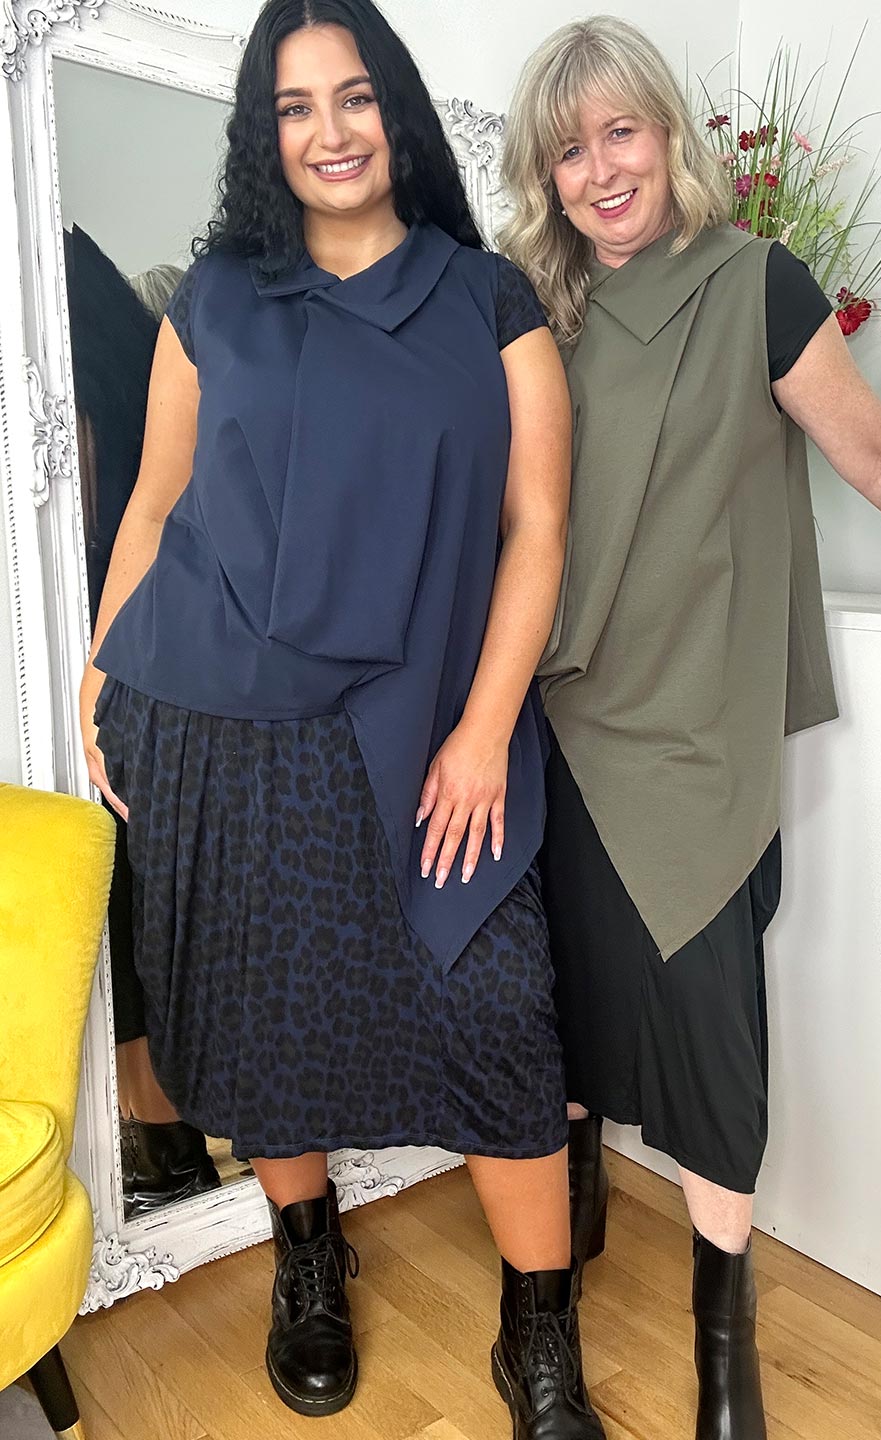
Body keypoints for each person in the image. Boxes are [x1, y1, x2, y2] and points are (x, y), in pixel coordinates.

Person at [499, 17, 881, 1438]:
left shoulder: (755, 283)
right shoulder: (528, 314)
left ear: (669, 134)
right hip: (556, 717)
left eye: (621, 132)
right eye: (569, 151)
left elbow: (872, 448)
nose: (599, 171)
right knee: (554, 1017)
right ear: (546, 176)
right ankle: (545, 1317)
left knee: (713, 1034)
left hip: (697, 722)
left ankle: (722, 1343)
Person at [79, 3, 604, 1433]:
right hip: (218, 725)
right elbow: (156, 503)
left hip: (428, 725)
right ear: (266, 131)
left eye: (355, 98)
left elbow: (536, 530)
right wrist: (101, 662)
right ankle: (306, 1256)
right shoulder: (213, 302)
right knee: (259, 1019)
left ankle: (536, 1334)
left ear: (399, 116)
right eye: (296, 106)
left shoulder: (486, 297)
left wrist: (487, 726)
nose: (329, 132)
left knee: (498, 1014)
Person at [65, 224, 223, 1214]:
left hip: (116, 606)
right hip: (115, 605)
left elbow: (110, 484)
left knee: (135, 858)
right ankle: (160, 1131)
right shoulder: (96, 291)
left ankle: (161, 1129)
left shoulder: (72, 280)